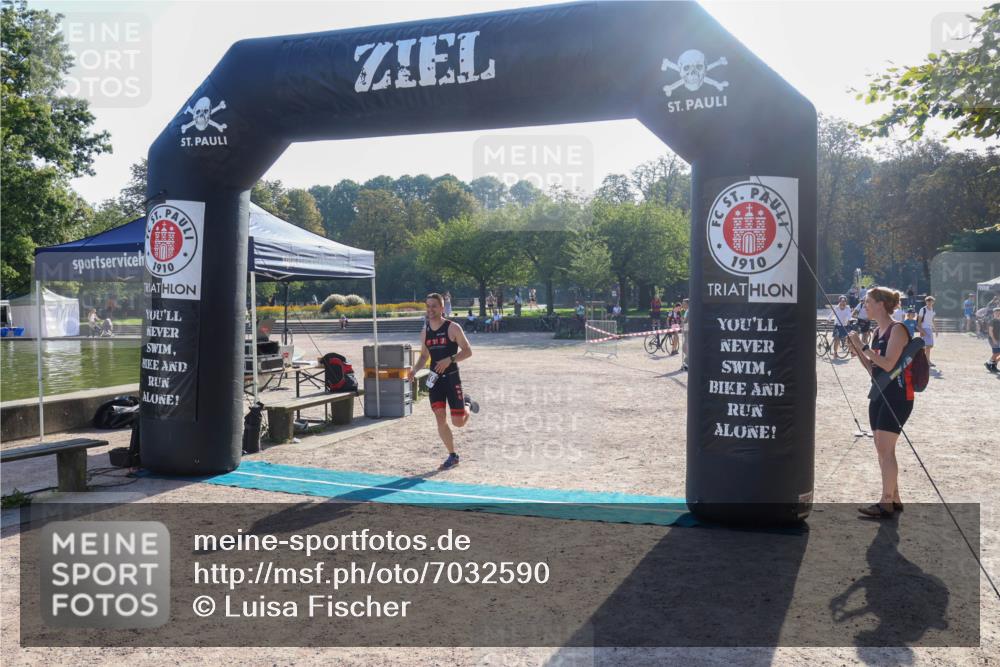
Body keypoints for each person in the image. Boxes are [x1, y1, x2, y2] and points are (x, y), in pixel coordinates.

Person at [846, 287, 915, 519]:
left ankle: (885, 503)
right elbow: (873, 369)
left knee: (885, 449)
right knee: (883, 449)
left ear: (881, 304)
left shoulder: (898, 329)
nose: (865, 305)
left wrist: (864, 346)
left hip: (897, 396)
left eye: (868, 302)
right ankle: (894, 497)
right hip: (878, 393)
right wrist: (859, 351)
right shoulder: (877, 331)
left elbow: (888, 364)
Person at [409, 293, 480, 470]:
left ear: (442, 308)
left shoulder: (453, 327)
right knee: (440, 417)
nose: (430, 309)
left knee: (458, 422)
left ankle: (468, 403)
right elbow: (424, 355)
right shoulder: (425, 331)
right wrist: (415, 369)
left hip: (451, 378)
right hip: (435, 380)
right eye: (428, 306)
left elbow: (468, 351)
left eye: (434, 306)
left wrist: (450, 359)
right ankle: (452, 455)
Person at [917, 296, 937, 366]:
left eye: (930, 301)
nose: (929, 302)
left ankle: (925, 360)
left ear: (933, 302)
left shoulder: (933, 310)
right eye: (928, 301)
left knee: (929, 346)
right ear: (926, 302)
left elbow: (932, 320)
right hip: (924, 328)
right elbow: (919, 322)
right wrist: (921, 331)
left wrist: (936, 329)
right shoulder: (923, 309)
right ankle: (926, 361)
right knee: (926, 346)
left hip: (930, 329)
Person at [986, 308, 1000, 373]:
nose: (998, 313)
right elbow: (990, 331)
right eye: (996, 312)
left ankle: (993, 365)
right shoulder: (992, 321)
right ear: (993, 313)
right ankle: (989, 363)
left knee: (998, 353)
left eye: (999, 312)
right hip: (993, 339)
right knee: (996, 353)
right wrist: (994, 339)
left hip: (999, 339)